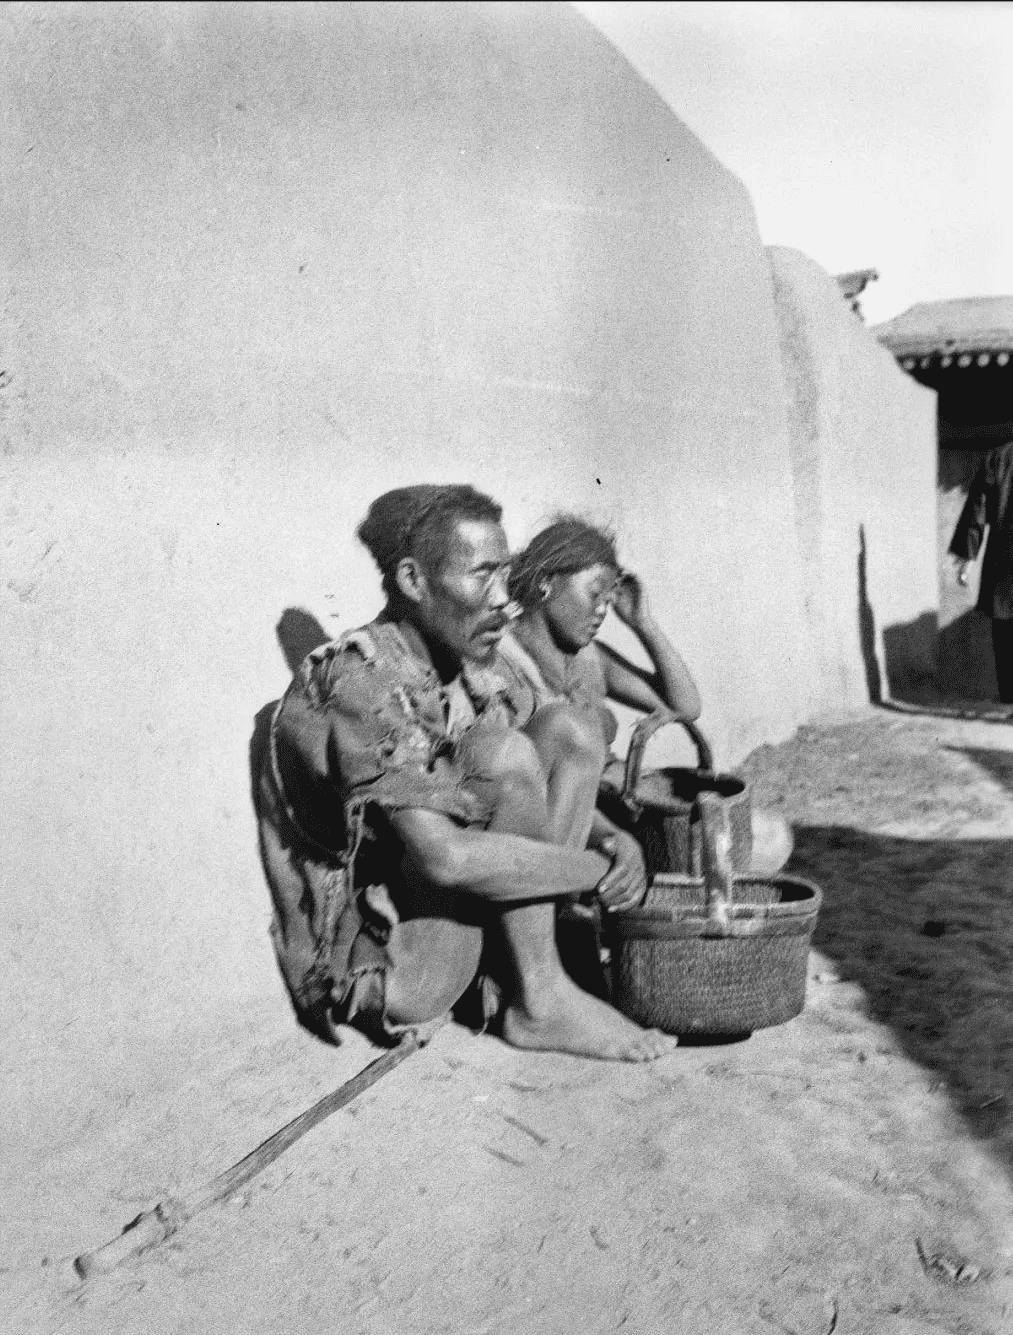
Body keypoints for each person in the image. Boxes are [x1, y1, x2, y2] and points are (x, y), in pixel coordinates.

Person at [254, 484, 675, 1062]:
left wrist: (610, 838)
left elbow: (546, 767)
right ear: (413, 580)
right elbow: (445, 859)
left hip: (453, 897)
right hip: (396, 952)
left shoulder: (466, 661)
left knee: (567, 730)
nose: (504, 598)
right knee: (504, 755)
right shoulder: (360, 680)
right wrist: (595, 872)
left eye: (504, 573)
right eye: (482, 575)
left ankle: (534, 980)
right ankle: (539, 999)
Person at [500, 516, 792, 878]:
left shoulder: (590, 658)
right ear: (546, 582)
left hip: (622, 802)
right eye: (594, 595)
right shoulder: (506, 660)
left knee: (772, 837)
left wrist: (643, 624)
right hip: (569, 818)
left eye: (608, 600)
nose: (602, 611)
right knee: (724, 853)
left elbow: (685, 707)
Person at [949, 439, 1013, 703]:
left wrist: (968, 556)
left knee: (1004, 627)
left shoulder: (998, 457)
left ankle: (1009, 696)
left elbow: (978, 507)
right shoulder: (997, 458)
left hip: (1004, 561)